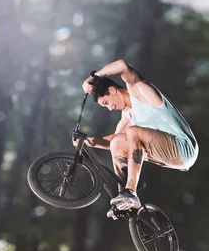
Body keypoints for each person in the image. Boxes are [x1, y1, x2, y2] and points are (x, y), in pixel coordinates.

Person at [80, 59, 198, 218]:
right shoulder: (127, 116)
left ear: (113, 90)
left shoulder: (139, 90)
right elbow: (111, 143)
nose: (110, 108)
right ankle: (123, 198)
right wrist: (87, 140)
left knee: (133, 132)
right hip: (167, 155)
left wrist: (93, 77)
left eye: (107, 102)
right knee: (118, 141)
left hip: (184, 147)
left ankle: (131, 191)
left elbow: (122, 66)